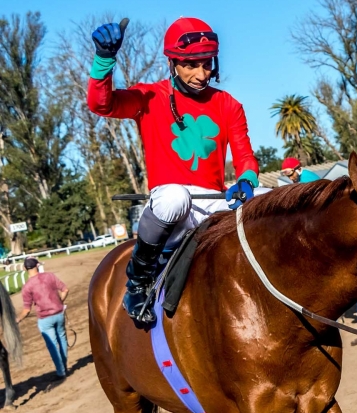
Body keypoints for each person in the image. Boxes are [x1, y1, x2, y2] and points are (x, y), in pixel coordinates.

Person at [87, 17, 260, 327]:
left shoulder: (228, 104)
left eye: (207, 63)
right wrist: (104, 61)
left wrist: (247, 180)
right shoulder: (149, 96)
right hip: (170, 200)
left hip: (215, 201)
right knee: (174, 197)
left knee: (270, 199)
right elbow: (103, 105)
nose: (201, 73)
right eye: (191, 64)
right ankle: (138, 283)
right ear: (173, 63)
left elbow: (245, 156)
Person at [17, 258, 70, 379]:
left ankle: (61, 371)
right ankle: (64, 366)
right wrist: (60, 301)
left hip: (44, 319)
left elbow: (26, 310)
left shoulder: (27, 287)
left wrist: (17, 319)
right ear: (37, 265)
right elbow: (65, 289)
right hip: (59, 313)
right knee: (62, 339)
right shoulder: (50, 276)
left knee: (52, 345)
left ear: (25, 269)